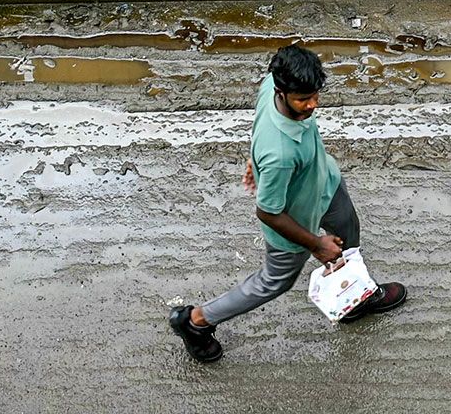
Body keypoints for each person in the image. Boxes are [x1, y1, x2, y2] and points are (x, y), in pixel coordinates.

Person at [167, 45, 407, 362]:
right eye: (303, 100)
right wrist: (316, 245)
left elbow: (258, 124)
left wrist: (254, 162)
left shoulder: (273, 83)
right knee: (272, 283)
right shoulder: (280, 154)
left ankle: (355, 298)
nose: (312, 105)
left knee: (348, 233)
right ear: (282, 91)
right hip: (294, 222)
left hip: (326, 183)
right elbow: (267, 211)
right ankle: (195, 321)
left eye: (315, 96)